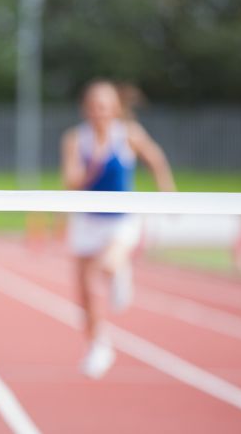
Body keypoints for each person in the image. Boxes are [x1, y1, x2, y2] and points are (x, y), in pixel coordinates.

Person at [61, 81, 175, 378]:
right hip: (87, 220)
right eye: (94, 106)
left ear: (115, 109)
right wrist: (91, 170)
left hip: (121, 220)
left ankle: (119, 270)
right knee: (85, 290)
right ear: (85, 109)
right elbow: (69, 183)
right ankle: (99, 344)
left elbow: (156, 159)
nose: (99, 112)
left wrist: (168, 194)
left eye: (105, 106)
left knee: (107, 265)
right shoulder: (76, 139)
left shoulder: (129, 135)